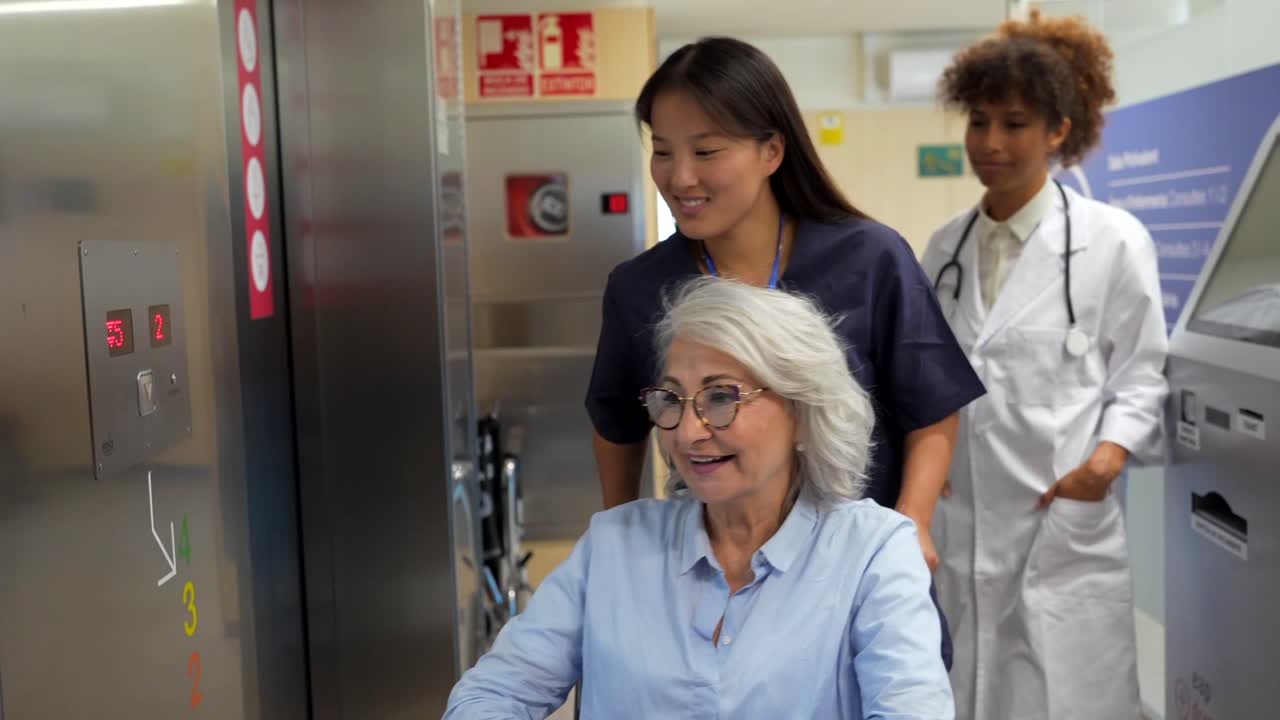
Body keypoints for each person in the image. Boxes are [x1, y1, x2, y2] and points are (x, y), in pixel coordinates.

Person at [585, 37, 985, 666]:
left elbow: (931, 404)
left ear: (772, 150)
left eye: (706, 151)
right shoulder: (640, 288)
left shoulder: (868, 258)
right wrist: (624, 545)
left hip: (852, 570)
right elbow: (616, 424)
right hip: (713, 573)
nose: (680, 177)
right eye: (662, 151)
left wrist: (913, 522)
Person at [446, 277, 955, 719]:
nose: (688, 432)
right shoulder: (615, 545)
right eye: (671, 399)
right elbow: (493, 693)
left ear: (802, 412)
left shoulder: (873, 552)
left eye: (721, 397)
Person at [920, 11, 1169, 720]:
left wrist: (1106, 462)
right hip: (962, 519)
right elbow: (926, 376)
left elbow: (1142, 372)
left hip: (1059, 520)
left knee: (1067, 694)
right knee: (965, 688)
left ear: (1059, 131)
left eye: (1015, 124)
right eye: (978, 122)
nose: (990, 143)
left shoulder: (1112, 240)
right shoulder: (943, 248)